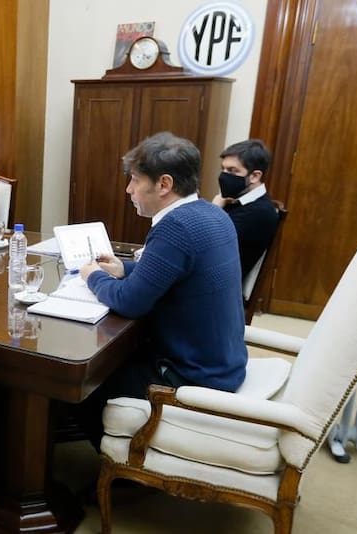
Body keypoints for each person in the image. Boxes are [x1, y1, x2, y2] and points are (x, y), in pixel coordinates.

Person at [75, 132, 247, 448]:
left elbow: (129, 302)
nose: (129, 190)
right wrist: (122, 269)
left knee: (82, 384)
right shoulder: (211, 214)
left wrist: (92, 276)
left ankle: (127, 467)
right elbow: (177, 273)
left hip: (194, 376)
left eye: (135, 181)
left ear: (164, 185)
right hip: (224, 360)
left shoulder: (175, 227)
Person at [211, 139, 279, 281]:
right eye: (223, 169)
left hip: (219, 288)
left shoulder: (259, 213)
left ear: (254, 176)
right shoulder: (237, 200)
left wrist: (214, 209)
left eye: (232, 171)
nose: (224, 176)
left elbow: (205, 242)